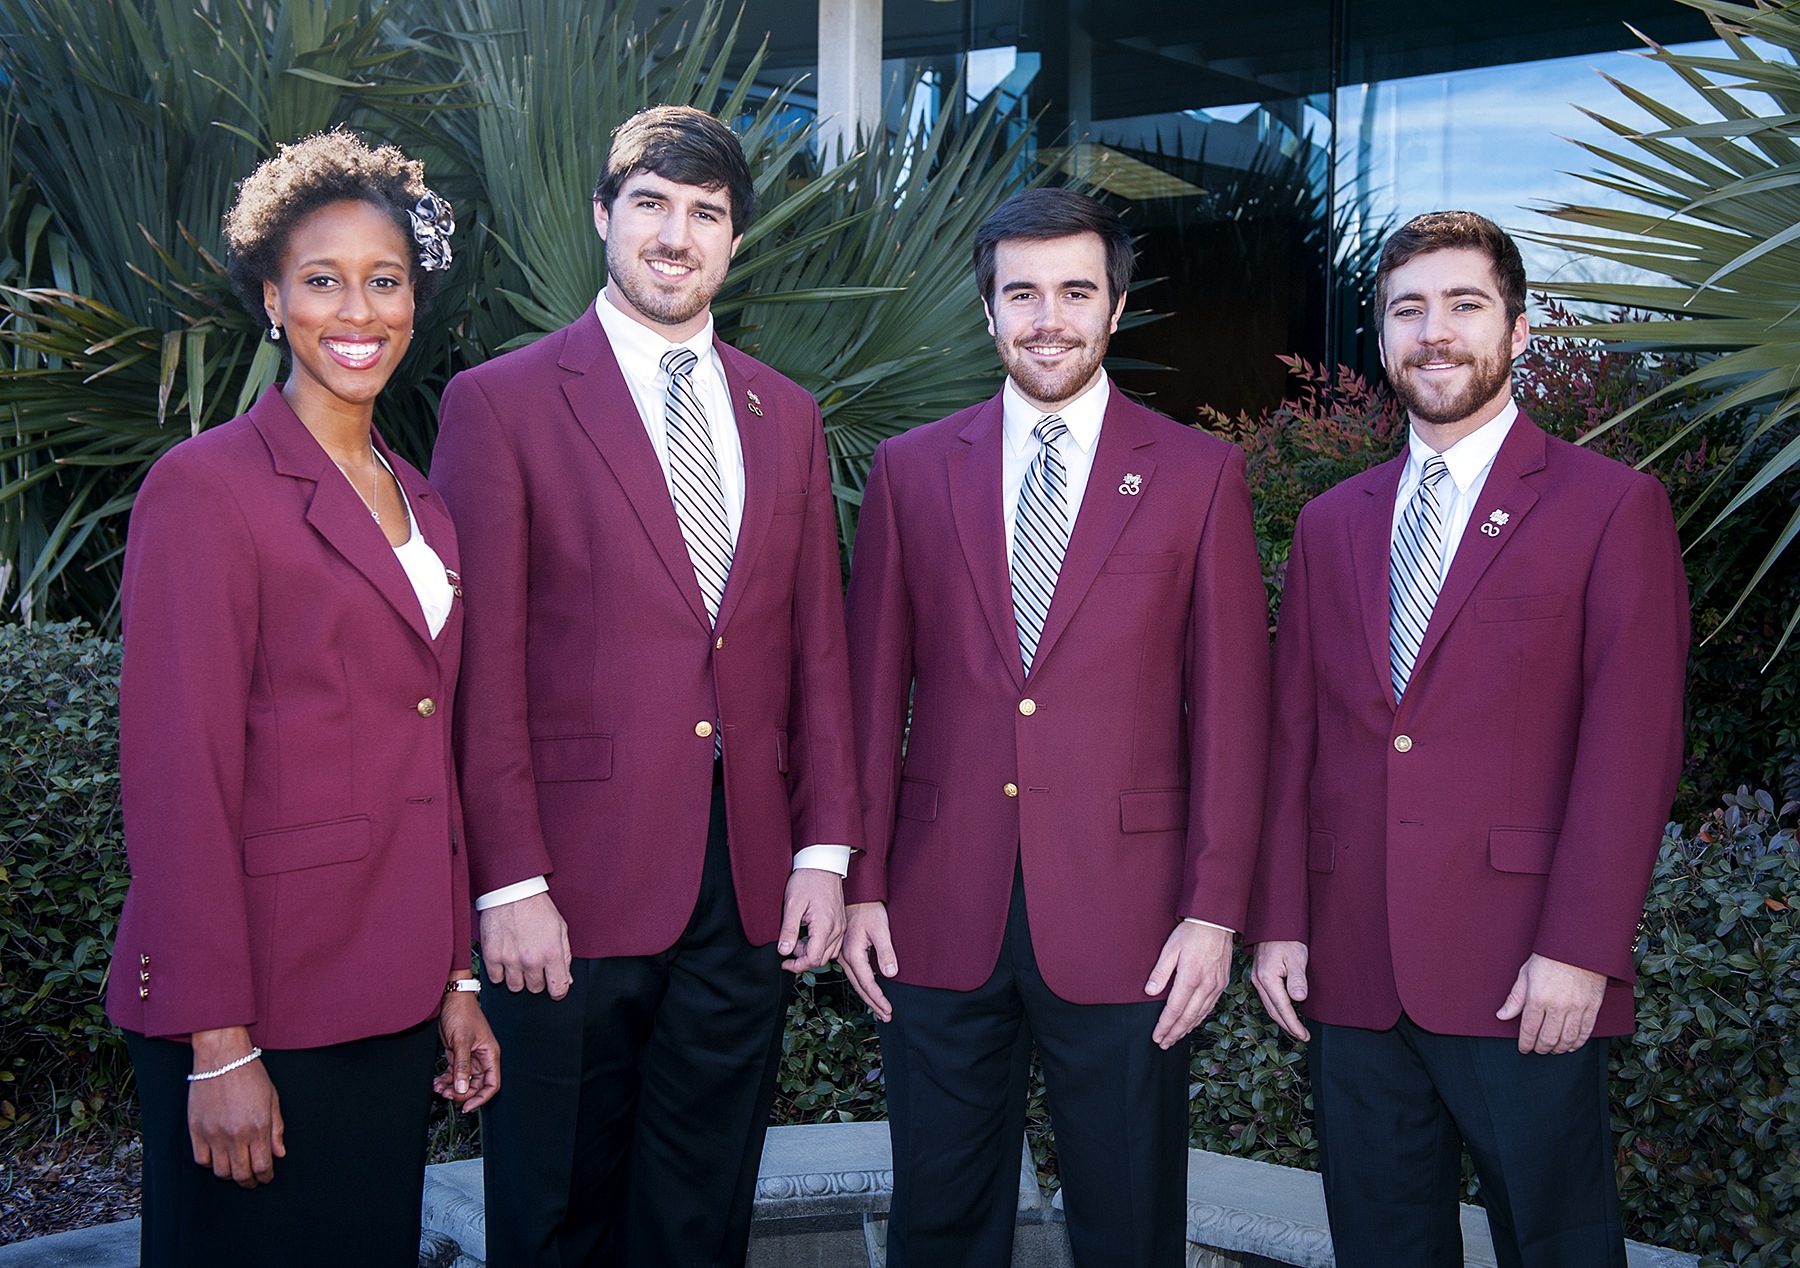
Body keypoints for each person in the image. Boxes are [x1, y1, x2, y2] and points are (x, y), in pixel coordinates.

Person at [430, 105, 860, 1267]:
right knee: (557, 1206)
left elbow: (817, 646)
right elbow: (478, 670)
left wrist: (823, 851)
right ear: (603, 218)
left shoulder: (788, 412)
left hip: (746, 885)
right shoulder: (500, 403)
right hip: (569, 888)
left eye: (707, 214)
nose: (678, 235)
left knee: (701, 1207)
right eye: (654, 205)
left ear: (734, 241)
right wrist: (507, 879)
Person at [1246, 210, 1690, 1267]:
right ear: (1383, 334)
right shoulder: (1331, 522)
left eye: (1463, 305)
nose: (1433, 332)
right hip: (1351, 964)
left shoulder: (1609, 507)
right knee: (1381, 1243)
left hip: (1521, 963)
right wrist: (1279, 921)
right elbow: (1294, 740)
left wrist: (1582, 946)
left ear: (1521, 329)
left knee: (1559, 1243)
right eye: (1409, 309)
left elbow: (1632, 745)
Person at [839, 188, 1271, 1268]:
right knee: (938, 1220)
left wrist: (1214, 911)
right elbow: (866, 693)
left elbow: (1232, 710)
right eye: (1021, 292)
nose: (1048, 317)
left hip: (1133, 919)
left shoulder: (1198, 475)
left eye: (1075, 291)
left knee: (1128, 1222)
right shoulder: (909, 469)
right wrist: (861, 883)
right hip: (935, 910)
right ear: (986, 311)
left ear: (1116, 305)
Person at [106, 130, 498, 1268]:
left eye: (385, 280)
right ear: (272, 299)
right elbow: (178, 779)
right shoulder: (205, 488)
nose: (357, 308)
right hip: (262, 1004)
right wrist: (216, 1041)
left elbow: (434, 756)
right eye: (322, 280)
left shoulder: (425, 500)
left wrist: (458, 979)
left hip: (385, 997)